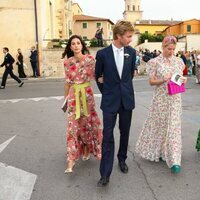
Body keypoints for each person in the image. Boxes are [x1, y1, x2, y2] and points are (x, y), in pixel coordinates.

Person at [135, 35, 187, 174]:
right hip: (161, 99)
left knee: (174, 127)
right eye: (169, 48)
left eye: (173, 49)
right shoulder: (154, 62)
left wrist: (184, 80)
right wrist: (163, 79)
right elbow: (151, 81)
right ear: (163, 47)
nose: (171, 51)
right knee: (161, 126)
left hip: (175, 98)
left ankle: (175, 159)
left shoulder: (179, 62)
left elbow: (180, 77)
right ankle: (160, 151)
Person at [95, 20, 136, 187]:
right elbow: (98, 77)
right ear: (119, 36)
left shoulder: (131, 53)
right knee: (107, 136)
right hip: (110, 100)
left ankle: (122, 159)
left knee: (125, 132)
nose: (131, 39)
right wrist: (108, 92)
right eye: (128, 36)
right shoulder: (102, 54)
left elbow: (130, 75)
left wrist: (122, 90)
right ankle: (105, 173)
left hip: (126, 99)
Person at [62, 35, 102, 173]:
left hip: (87, 95)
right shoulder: (67, 62)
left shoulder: (90, 60)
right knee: (72, 127)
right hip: (74, 96)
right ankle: (71, 161)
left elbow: (98, 75)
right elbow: (67, 83)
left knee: (86, 124)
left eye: (78, 43)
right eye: (73, 43)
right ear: (70, 47)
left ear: (82, 45)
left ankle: (86, 149)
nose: (76, 45)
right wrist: (65, 100)